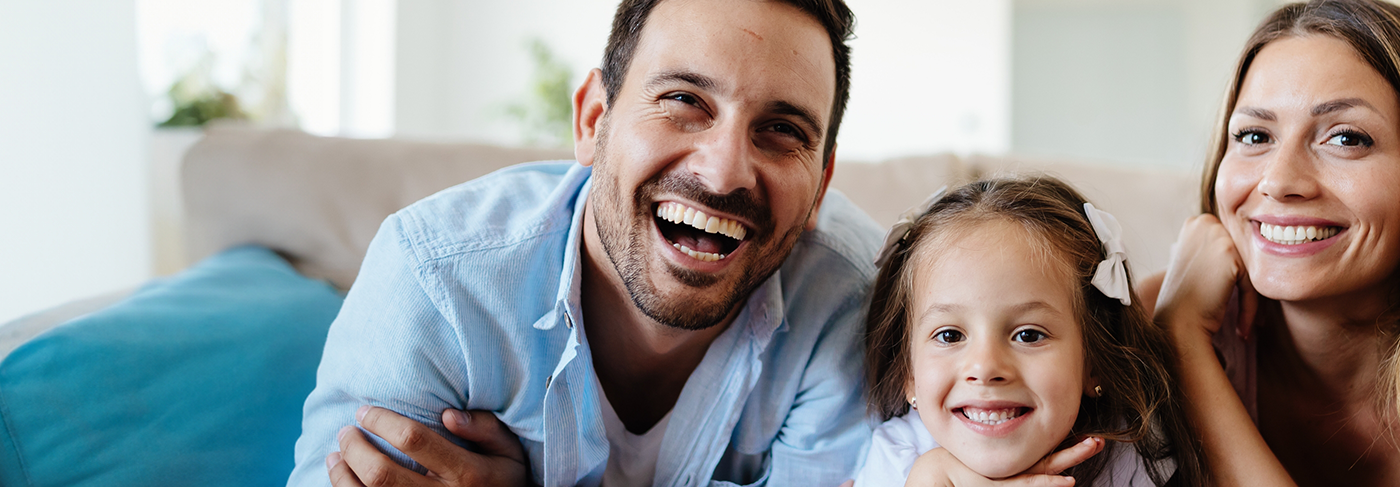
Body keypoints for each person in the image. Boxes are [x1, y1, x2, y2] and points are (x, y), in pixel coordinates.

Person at [284, 0, 883, 486]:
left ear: (821, 184)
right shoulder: (436, 279)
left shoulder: (860, 304)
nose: (725, 172)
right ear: (594, 121)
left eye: (782, 131)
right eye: (683, 101)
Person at [1144, 0, 1400, 484]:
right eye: (1254, 135)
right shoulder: (1141, 317)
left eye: (1346, 138)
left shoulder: (1176, 323)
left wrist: (1182, 344)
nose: (1279, 181)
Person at [855, 177, 1204, 487]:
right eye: (950, 336)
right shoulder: (897, 461)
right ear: (909, 375)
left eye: (1028, 335)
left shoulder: (1130, 450)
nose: (985, 368)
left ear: (1094, 360)